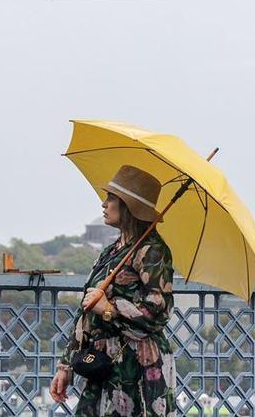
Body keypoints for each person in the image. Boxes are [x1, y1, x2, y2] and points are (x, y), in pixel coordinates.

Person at [50, 165, 177, 416]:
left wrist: (110, 309)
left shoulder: (152, 251)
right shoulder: (110, 252)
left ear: (128, 206)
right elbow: (85, 310)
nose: (104, 204)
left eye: (111, 198)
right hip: (102, 361)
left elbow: (158, 313)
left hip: (138, 364)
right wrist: (66, 365)